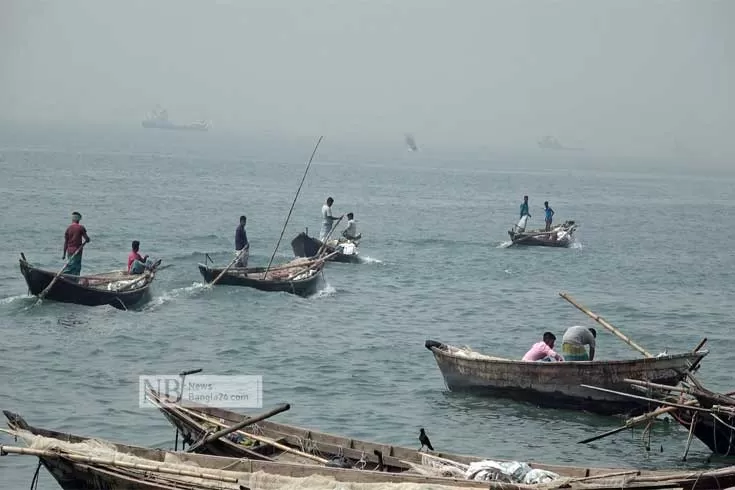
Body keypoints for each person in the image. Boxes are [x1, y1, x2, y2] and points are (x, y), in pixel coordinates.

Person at [62, 211, 90, 276]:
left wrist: (64, 254)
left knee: (71, 264)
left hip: (69, 251)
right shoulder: (80, 228)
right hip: (77, 250)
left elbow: (66, 242)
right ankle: (66, 276)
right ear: (79, 219)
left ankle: (71, 279)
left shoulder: (68, 228)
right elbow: (87, 239)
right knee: (75, 266)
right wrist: (88, 240)